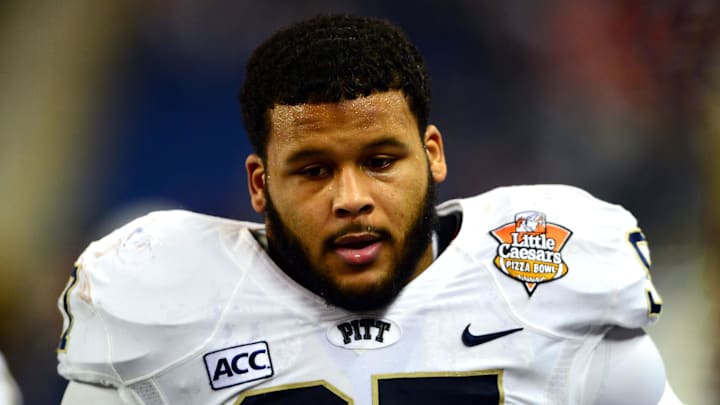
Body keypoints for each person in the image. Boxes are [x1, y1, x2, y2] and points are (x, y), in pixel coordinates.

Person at [57, 14, 683, 404]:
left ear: (433, 155)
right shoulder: (164, 308)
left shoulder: (546, 288)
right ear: (258, 184)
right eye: (313, 170)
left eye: (381, 161)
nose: (351, 199)